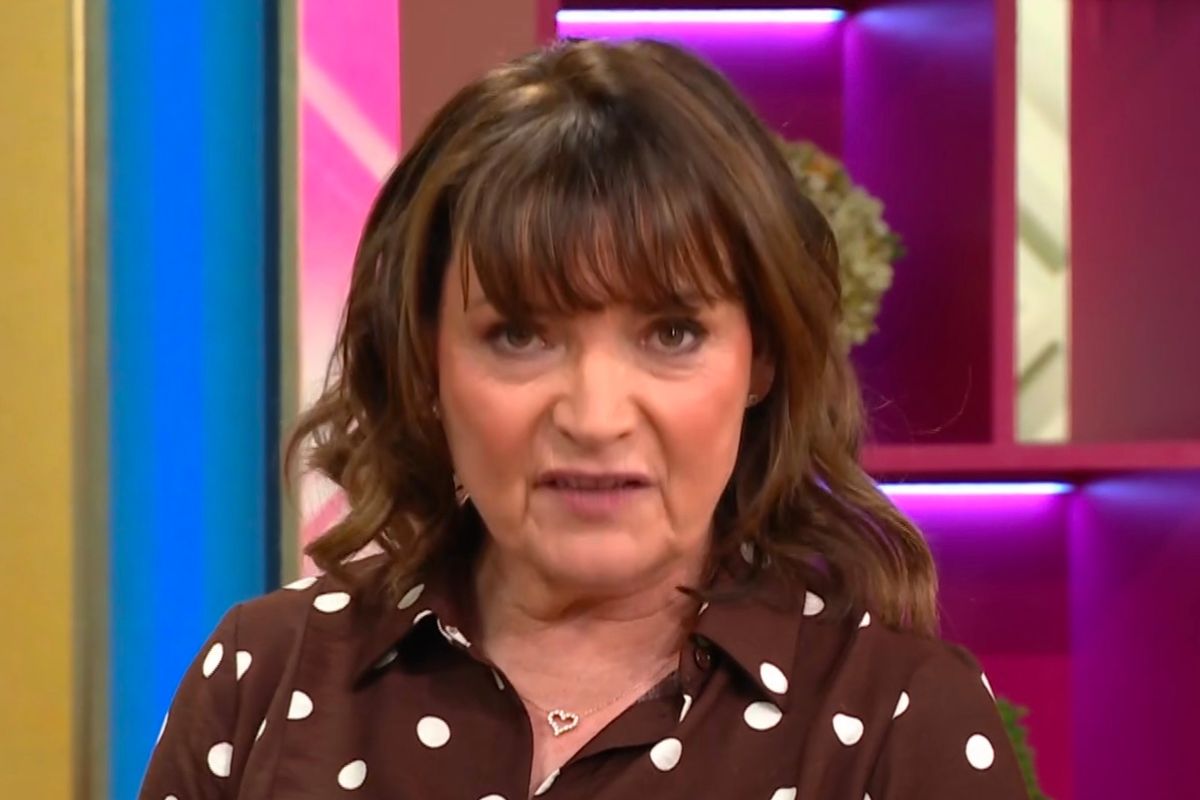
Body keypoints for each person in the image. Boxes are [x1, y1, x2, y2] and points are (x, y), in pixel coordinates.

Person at [141, 38, 1029, 799]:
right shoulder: (263, 677)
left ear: (760, 359)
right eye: (519, 335)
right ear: (427, 360)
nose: (596, 418)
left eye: (672, 333)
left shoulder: (901, 722)